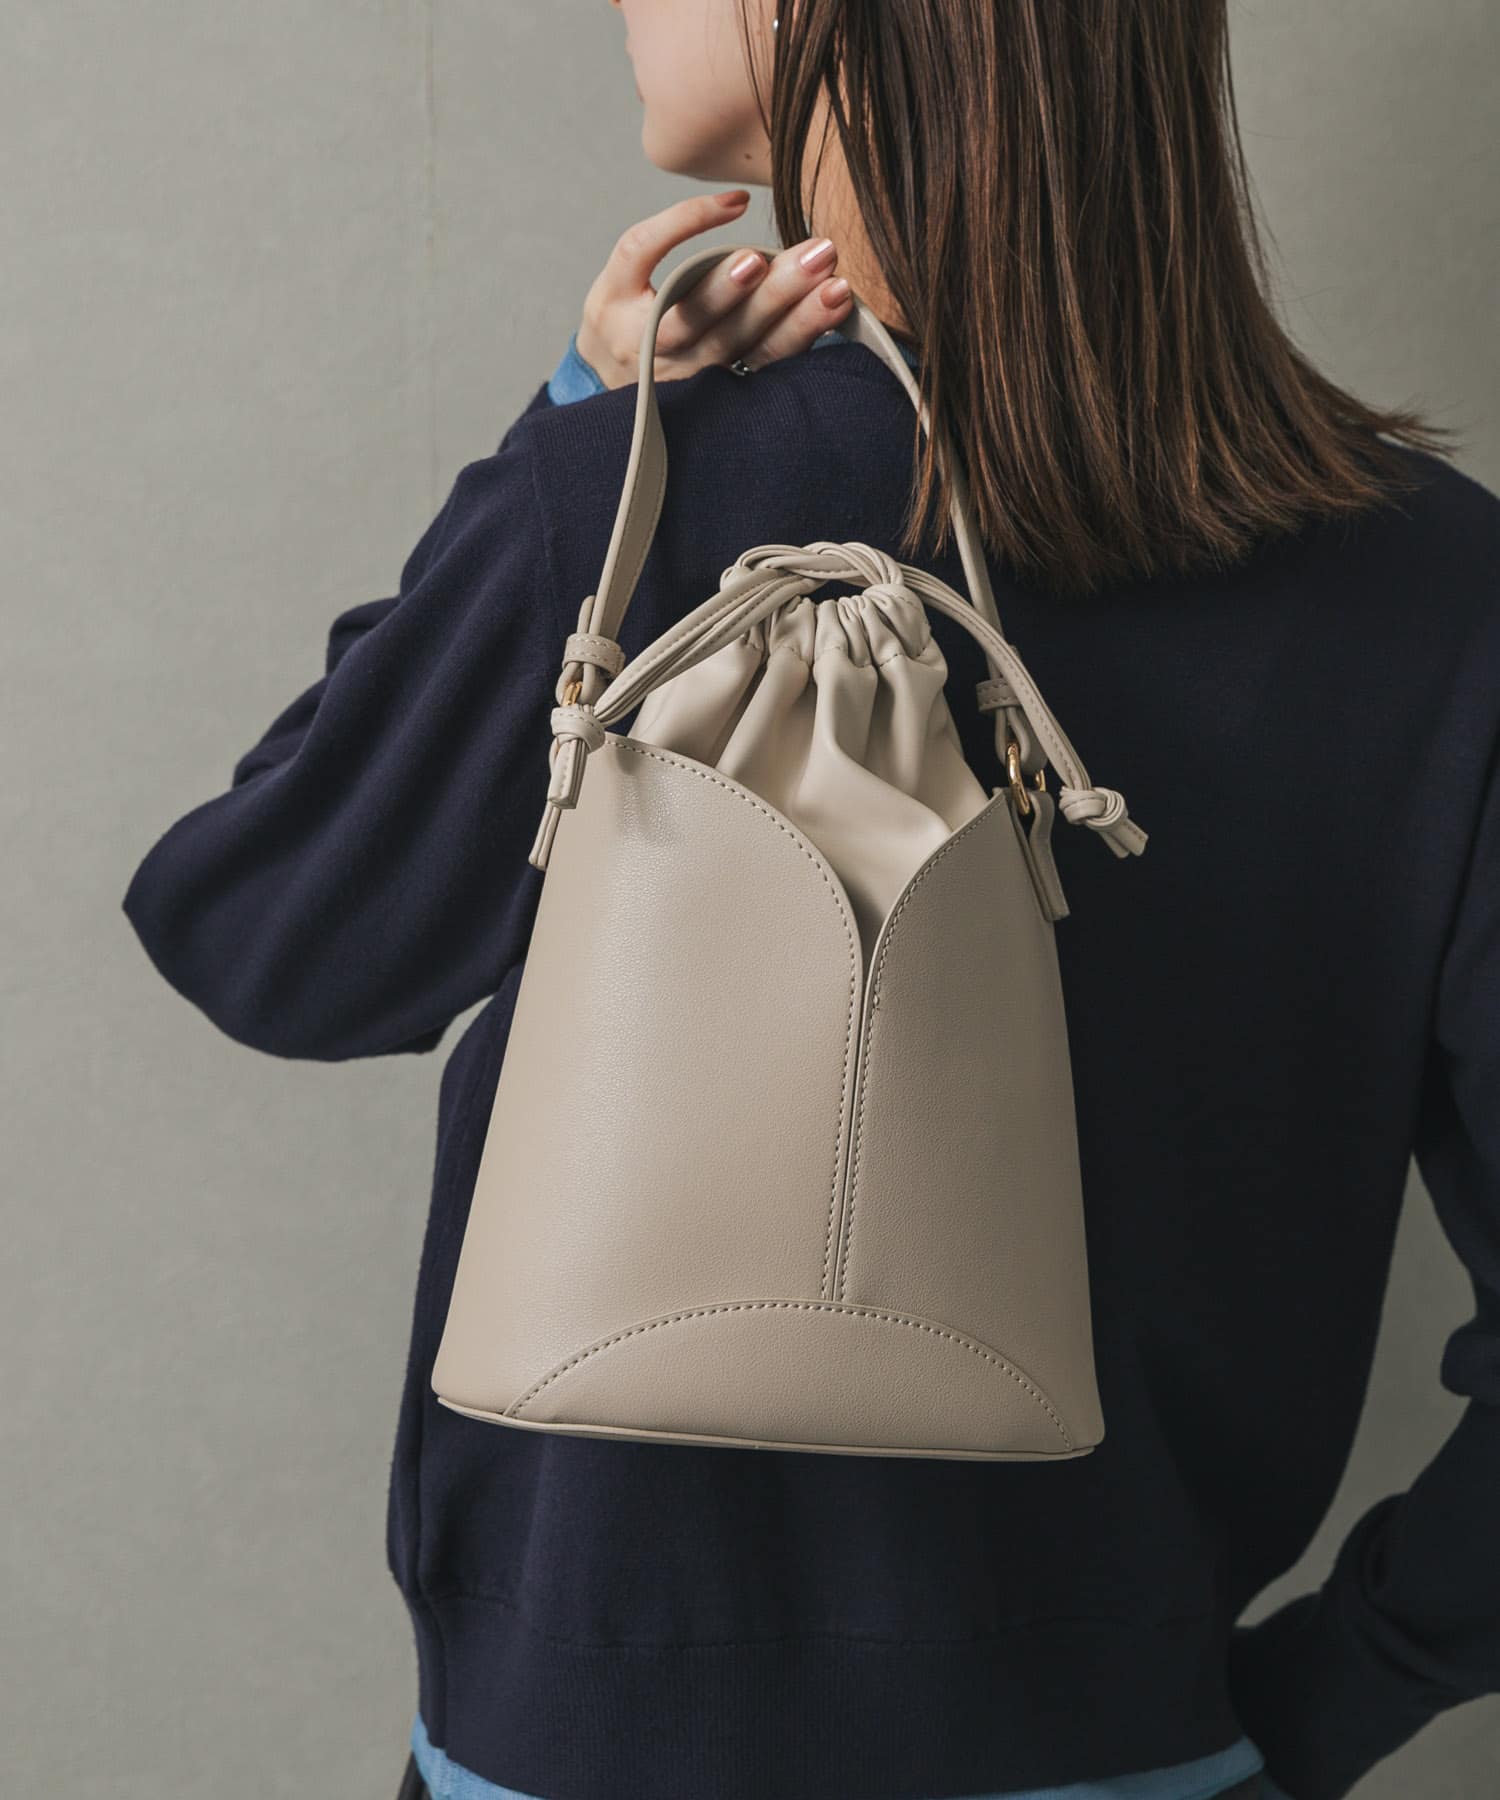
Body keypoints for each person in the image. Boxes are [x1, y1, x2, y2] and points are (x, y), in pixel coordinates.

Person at [120, 2, 1500, 1798]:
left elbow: (272, 938)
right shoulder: (1440, 586)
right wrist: (1330, 1703)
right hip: (1141, 1746)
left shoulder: (662, 489)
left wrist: (585, 439)